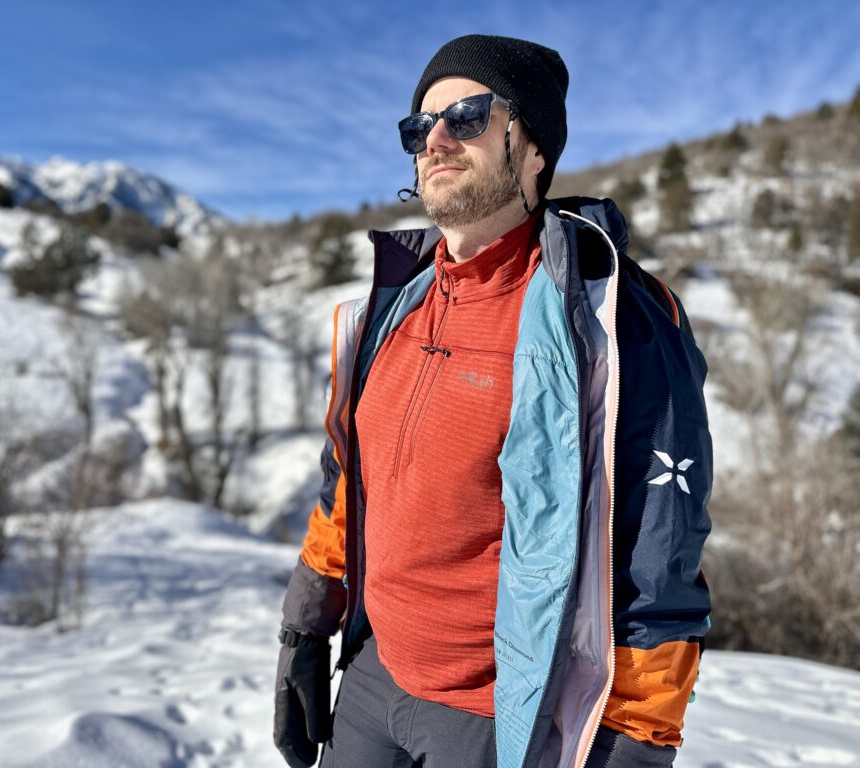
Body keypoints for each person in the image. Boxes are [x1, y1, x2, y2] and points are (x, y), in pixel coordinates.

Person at [274, 34, 712, 768]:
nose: (436, 140)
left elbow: (658, 548)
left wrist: (636, 744)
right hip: (374, 681)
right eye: (419, 128)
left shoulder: (612, 322)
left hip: (499, 716)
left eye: (468, 117)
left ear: (532, 145)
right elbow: (350, 480)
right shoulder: (387, 309)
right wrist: (307, 621)